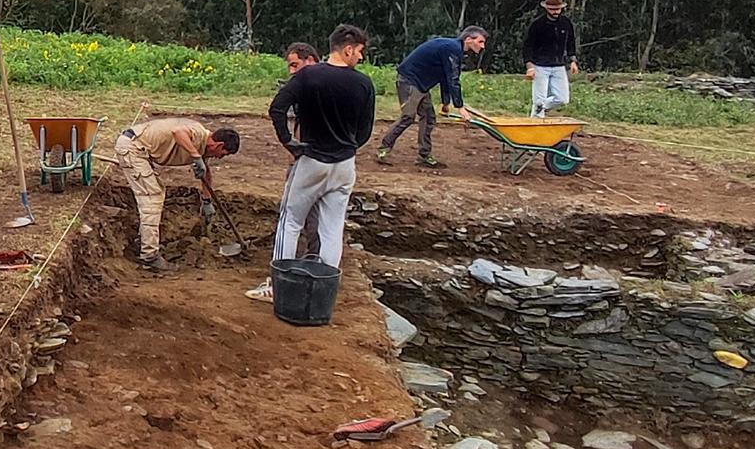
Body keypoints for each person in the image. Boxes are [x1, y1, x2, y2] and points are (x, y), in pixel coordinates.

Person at [249, 24, 375, 302]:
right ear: (348, 48)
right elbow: (365, 131)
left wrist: (289, 142)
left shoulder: (308, 76)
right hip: (345, 165)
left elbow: (277, 108)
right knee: (332, 228)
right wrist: (348, 146)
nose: (361, 58)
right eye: (360, 52)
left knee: (290, 220)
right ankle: (323, 293)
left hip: (311, 159)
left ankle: (278, 286)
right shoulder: (363, 83)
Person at [114, 114, 240, 272]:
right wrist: (195, 156)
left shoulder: (203, 146)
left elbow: (206, 173)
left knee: (156, 193)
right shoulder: (197, 133)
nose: (220, 157)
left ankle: (144, 240)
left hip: (140, 149)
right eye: (223, 153)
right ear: (219, 145)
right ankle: (149, 256)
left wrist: (207, 201)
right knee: (152, 197)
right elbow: (178, 132)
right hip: (133, 148)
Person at [376, 27, 488, 168]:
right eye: (480, 41)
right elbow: (453, 79)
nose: (483, 46)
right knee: (408, 117)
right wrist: (460, 107)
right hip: (409, 80)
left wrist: (445, 102)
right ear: (468, 40)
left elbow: (446, 76)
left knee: (429, 118)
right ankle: (383, 149)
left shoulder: (455, 50)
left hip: (421, 84)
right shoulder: (452, 49)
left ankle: (424, 156)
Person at [523, 0, 579, 117]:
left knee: (563, 99)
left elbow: (570, 42)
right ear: (547, 8)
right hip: (540, 66)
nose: (556, 12)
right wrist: (529, 66)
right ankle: (536, 121)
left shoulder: (566, 23)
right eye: (553, 9)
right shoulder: (537, 25)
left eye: (558, 9)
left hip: (559, 65)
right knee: (539, 99)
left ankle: (540, 108)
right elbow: (528, 46)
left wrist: (573, 60)